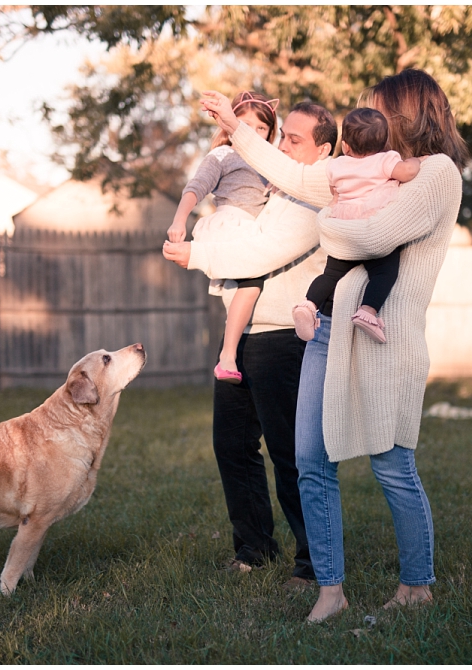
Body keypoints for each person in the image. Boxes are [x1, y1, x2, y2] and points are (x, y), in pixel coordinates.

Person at [200, 68, 468, 623]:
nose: (362, 122)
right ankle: (330, 590)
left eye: (376, 110)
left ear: (407, 113)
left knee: (392, 466)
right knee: (309, 460)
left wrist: (329, 221)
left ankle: (416, 587)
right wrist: (237, 128)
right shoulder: (355, 173)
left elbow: (372, 237)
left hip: (387, 339)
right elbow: (293, 174)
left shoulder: (436, 175)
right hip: (326, 329)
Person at [162, 100, 340, 585]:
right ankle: (255, 547)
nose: (280, 146)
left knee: (291, 453)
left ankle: (314, 563)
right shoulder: (276, 182)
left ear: (323, 150)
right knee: (233, 445)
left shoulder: (316, 192)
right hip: (242, 333)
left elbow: (261, 250)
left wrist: (197, 252)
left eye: (293, 140)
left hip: (284, 336)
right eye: (283, 137)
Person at [167, 91, 279, 383]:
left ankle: (234, 350)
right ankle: (227, 356)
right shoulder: (223, 154)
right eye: (245, 124)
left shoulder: (271, 161)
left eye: (261, 128)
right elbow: (196, 187)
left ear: (270, 133)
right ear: (230, 124)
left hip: (255, 229)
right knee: (251, 281)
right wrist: (179, 220)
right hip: (232, 223)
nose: (252, 133)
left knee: (248, 289)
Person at [292, 107, 422, 344]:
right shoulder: (385, 160)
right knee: (385, 272)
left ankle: (308, 305)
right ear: (385, 143)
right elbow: (408, 172)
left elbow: (335, 191)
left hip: (344, 228)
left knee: (330, 274)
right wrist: (414, 160)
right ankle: (368, 312)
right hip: (370, 228)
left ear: (346, 146)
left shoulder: (337, 165)